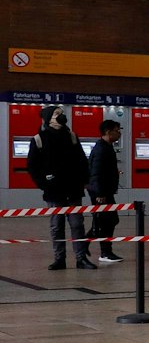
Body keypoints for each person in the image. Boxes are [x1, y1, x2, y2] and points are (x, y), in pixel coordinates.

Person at [25, 105, 93, 271]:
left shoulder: (72, 136)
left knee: (77, 224)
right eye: (57, 114)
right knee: (57, 226)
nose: (61, 117)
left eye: (62, 114)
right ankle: (59, 259)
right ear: (48, 118)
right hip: (54, 192)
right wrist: (44, 184)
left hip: (73, 190)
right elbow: (32, 166)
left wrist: (84, 180)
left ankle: (81, 258)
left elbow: (83, 161)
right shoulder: (39, 139)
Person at [88, 119, 124, 263]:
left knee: (106, 221)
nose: (119, 133)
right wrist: (100, 194)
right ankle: (104, 252)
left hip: (105, 191)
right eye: (117, 130)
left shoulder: (106, 147)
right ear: (108, 132)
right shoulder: (102, 149)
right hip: (101, 193)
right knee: (107, 221)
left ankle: (86, 244)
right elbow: (96, 174)